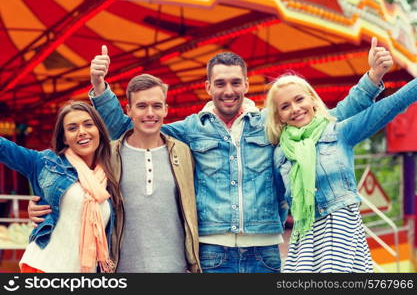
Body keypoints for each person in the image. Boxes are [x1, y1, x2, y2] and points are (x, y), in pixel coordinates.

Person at [61, 38, 388, 273]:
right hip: (212, 252)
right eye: (220, 83)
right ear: (208, 87)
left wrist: (372, 79)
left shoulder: (271, 125)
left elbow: (331, 120)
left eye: (235, 82)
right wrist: (100, 87)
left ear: (246, 84)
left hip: (265, 251)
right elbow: (126, 126)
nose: (228, 90)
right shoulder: (190, 129)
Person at [29, 50, 201, 272]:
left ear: (166, 109)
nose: (150, 113)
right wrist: (42, 206)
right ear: (128, 110)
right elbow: (71, 184)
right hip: (119, 269)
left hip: (177, 269)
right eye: (141, 106)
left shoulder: (185, 153)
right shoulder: (107, 155)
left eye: (157, 106)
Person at [263, 58, 417, 273]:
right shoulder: (281, 153)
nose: (295, 109)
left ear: (313, 101)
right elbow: (280, 202)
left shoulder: (339, 132)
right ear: (278, 116)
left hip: (339, 227)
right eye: (285, 106)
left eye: (299, 99)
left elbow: (392, 104)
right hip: (304, 233)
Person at [0, 101, 118, 273]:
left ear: (99, 130)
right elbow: (4, 148)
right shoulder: (44, 163)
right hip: (44, 267)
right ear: (64, 138)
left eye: (88, 124)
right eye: (72, 128)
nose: (82, 132)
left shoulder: (112, 174)